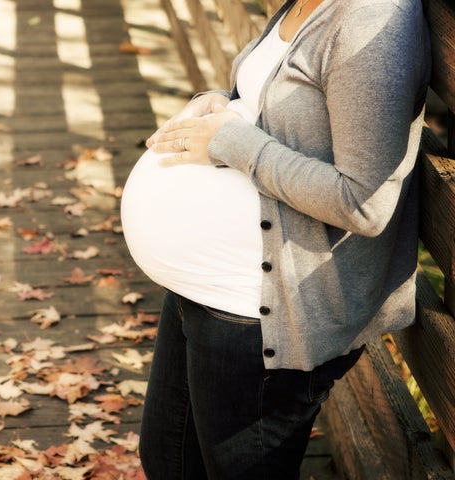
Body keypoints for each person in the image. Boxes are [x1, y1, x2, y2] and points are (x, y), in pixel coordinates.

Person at [118, 0, 431, 476]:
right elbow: (296, 111)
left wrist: (232, 141)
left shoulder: (373, 21)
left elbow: (364, 203)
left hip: (265, 314)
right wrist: (224, 103)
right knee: (169, 462)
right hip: (204, 291)